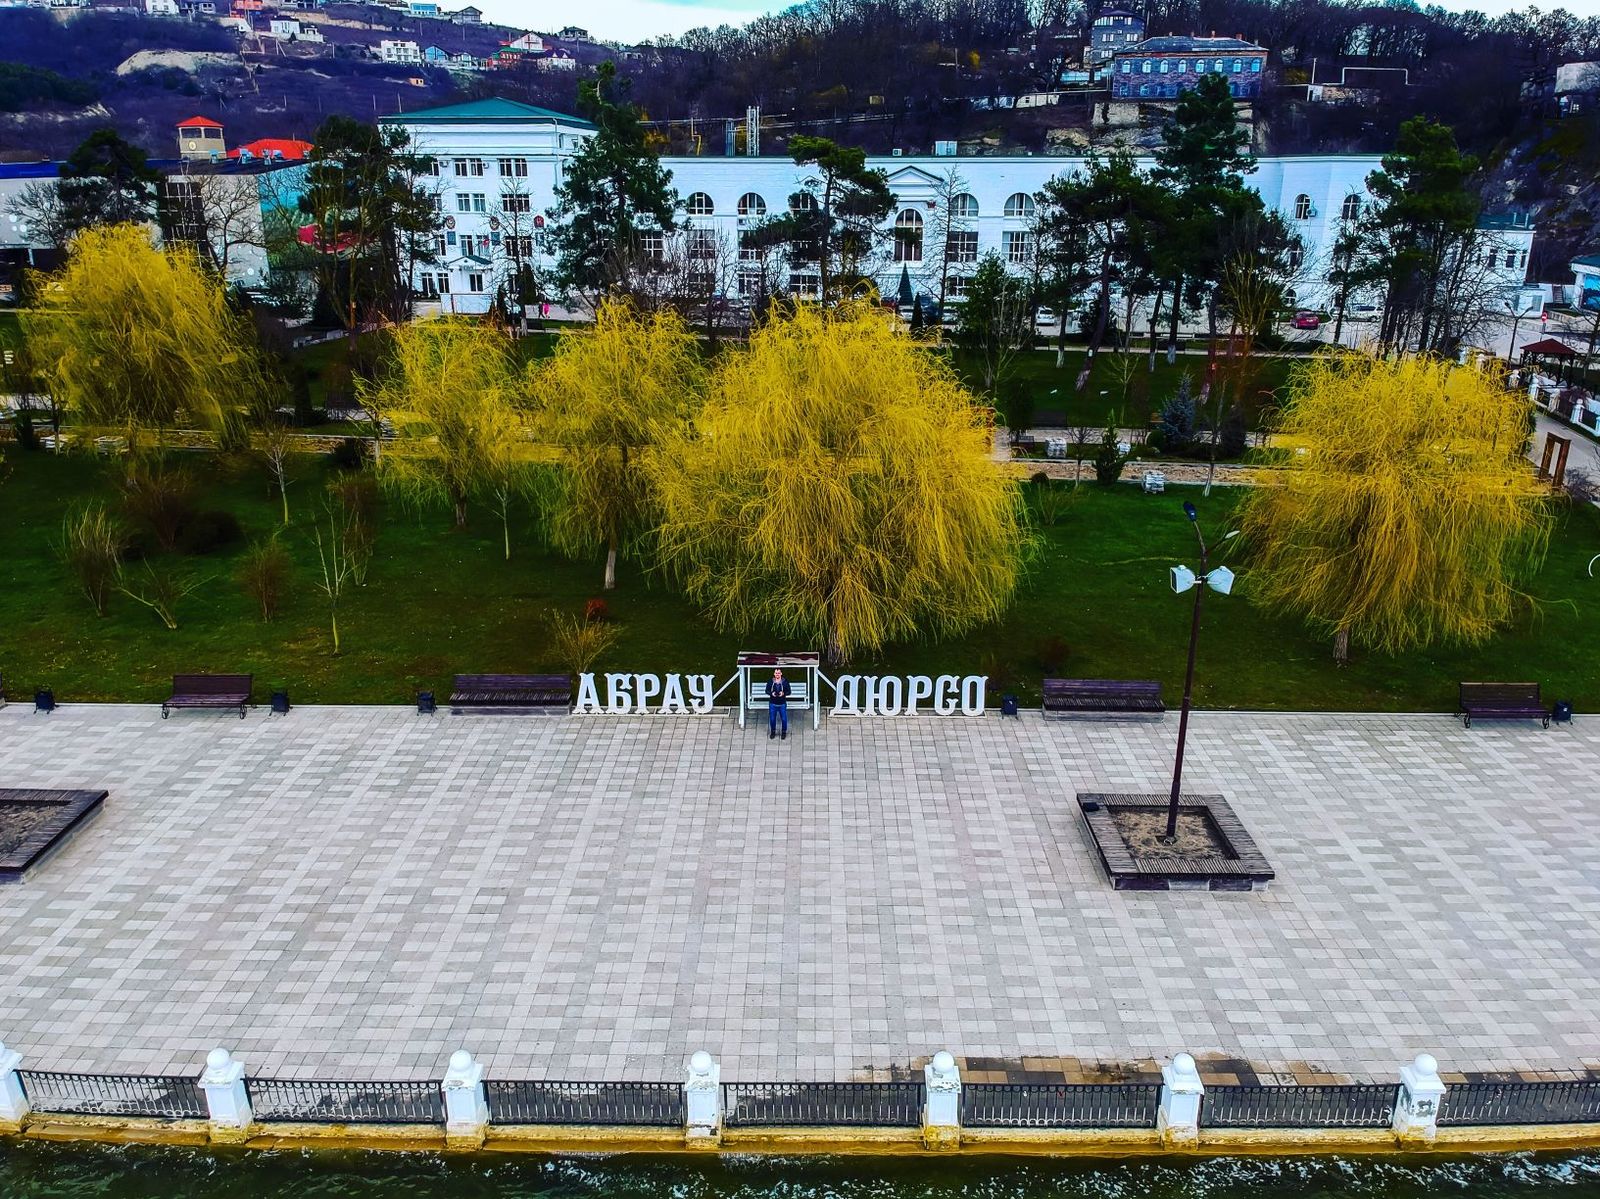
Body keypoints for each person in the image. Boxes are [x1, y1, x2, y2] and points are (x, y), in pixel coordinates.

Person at [767, 668, 791, 740]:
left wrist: (783, 693)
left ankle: (783, 732)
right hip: (773, 703)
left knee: (784, 719)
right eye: (776, 673)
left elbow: (789, 692)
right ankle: (773, 732)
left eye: (778, 673)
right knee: (772, 719)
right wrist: (772, 693)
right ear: (774, 674)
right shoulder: (771, 682)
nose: (777, 674)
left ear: (781, 674)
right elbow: (767, 691)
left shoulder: (785, 682)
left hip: (782, 703)